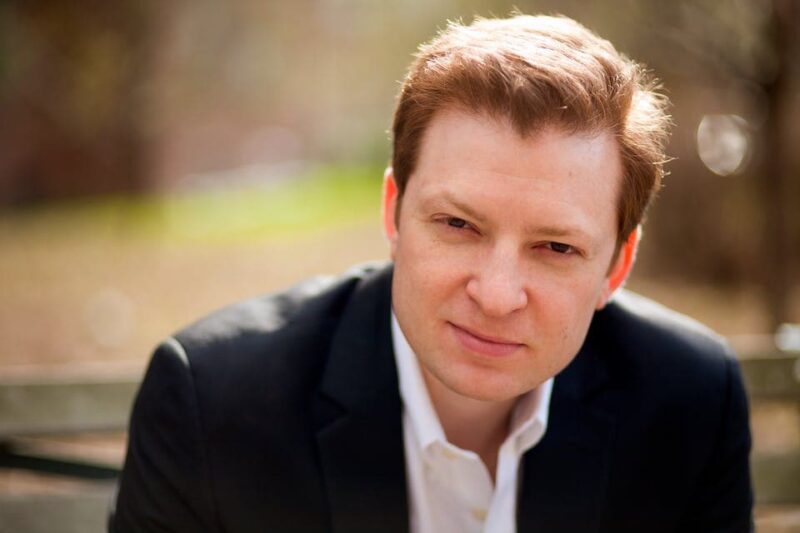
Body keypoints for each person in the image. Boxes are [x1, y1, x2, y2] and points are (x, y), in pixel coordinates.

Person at [109, 13, 753, 533]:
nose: (497, 296)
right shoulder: (212, 400)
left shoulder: (691, 398)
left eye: (555, 248)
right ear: (394, 212)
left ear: (617, 266)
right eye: (458, 225)